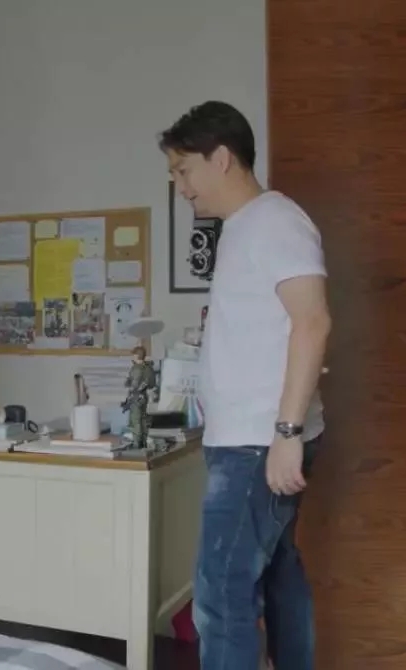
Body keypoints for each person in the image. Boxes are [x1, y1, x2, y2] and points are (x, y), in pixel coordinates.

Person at [159, 101, 331, 670]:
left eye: (183, 170)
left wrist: (287, 433)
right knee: (277, 575)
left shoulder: (276, 221)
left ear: (222, 158)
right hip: (250, 438)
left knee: (221, 593)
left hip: (259, 442)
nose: (180, 185)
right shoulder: (242, 227)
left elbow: (313, 321)